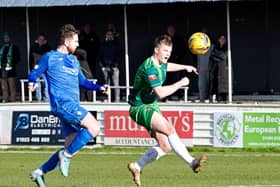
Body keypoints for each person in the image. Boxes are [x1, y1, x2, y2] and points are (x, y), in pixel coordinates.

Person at [28, 24, 109, 187]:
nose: (78, 44)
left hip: (71, 105)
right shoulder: (49, 57)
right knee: (94, 128)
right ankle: (66, 156)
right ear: (66, 41)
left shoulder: (73, 60)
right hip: (62, 104)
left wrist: (98, 87)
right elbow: (34, 73)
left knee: (71, 145)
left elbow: (83, 82)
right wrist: (32, 82)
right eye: (75, 41)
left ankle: (39, 172)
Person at [127, 34, 206, 186]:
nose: (167, 54)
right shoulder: (149, 68)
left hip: (150, 105)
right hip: (139, 107)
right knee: (169, 128)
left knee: (166, 146)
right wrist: (181, 83)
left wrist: (185, 67)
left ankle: (137, 166)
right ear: (156, 50)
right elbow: (160, 93)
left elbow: (167, 66)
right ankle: (191, 162)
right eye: (165, 51)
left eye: (169, 51)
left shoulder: (160, 63)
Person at [164, 24, 188, 100]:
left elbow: (184, 49)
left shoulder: (179, 39)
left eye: (172, 30)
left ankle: (179, 95)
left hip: (176, 62)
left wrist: (178, 56)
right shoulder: (165, 39)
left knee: (177, 79)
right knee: (166, 79)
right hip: (166, 63)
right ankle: (167, 96)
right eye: (169, 30)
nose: (171, 31)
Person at [97, 29, 121, 102]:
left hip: (114, 67)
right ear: (106, 35)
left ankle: (117, 99)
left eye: (111, 34)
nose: (109, 36)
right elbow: (99, 57)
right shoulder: (103, 45)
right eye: (108, 34)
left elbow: (118, 56)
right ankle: (109, 98)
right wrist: (102, 67)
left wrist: (115, 65)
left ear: (112, 36)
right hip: (105, 67)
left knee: (116, 83)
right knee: (107, 84)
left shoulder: (116, 45)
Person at [30, 33, 51, 101]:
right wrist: (31, 68)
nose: (41, 41)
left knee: (46, 83)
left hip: (45, 69)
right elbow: (31, 57)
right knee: (37, 83)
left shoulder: (47, 47)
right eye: (39, 39)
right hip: (36, 68)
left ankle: (46, 98)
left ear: (44, 40)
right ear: (37, 40)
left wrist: (44, 44)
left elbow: (47, 54)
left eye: (42, 40)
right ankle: (38, 98)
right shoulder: (34, 47)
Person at [0, 32, 20, 103]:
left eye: (7, 38)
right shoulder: (1, 48)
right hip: (2, 70)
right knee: (4, 87)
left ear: (10, 39)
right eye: (5, 38)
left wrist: (11, 64)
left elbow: (18, 58)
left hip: (11, 70)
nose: (6, 39)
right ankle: (5, 98)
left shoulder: (14, 48)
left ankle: (13, 99)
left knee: (12, 86)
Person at [209, 34, 228, 102]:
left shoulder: (227, 49)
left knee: (224, 88)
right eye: (221, 39)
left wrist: (218, 57)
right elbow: (212, 56)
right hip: (216, 70)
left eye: (224, 39)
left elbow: (224, 57)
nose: (222, 40)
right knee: (216, 85)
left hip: (224, 71)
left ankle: (224, 99)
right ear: (219, 40)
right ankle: (217, 98)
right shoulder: (215, 48)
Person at [197, 28, 214, 103]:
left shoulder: (212, 46)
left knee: (209, 85)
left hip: (209, 68)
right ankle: (202, 98)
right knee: (201, 85)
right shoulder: (198, 47)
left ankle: (209, 98)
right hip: (201, 69)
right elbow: (198, 59)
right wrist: (198, 67)